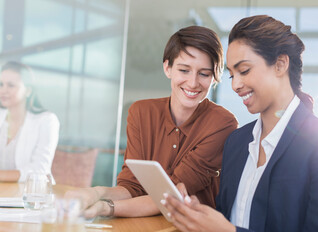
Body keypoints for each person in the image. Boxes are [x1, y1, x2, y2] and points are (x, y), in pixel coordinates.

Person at [163, 15, 318, 232]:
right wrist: (200, 216)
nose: (235, 85)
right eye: (232, 75)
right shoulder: (236, 142)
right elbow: (230, 220)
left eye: (244, 71)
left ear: (280, 64)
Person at [65, 26, 238, 218]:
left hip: (191, 230)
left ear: (215, 77)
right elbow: (133, 186)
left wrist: (105, 207)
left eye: (204, 74)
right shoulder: (141, 113)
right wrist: (95, 193)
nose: (192, 82)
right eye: (184, 70)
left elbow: (171, 195)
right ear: (168, 68)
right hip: (140, 222)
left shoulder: (222, 123)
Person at [0, 61, 60, 182]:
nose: (3, 90)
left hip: (33, 195)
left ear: (28, 90)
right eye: (1, 84)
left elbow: (40, 169)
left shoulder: (47, 121)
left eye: (11, 85)